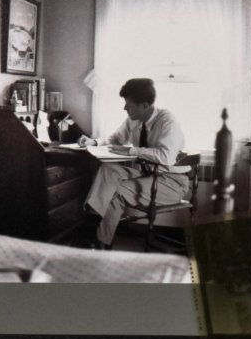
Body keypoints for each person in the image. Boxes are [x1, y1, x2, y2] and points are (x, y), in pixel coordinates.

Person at [79, 78, 190, 248]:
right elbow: (116, 139)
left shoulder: (167, 121)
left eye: (129, 105)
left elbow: (166, 157)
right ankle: (92, 223)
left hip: (172, 182)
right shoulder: (134, 119)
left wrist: (132, 151)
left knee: (117, 191)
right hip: (148, 175)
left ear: (144, 105)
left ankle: (99, 241)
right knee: (108, 170)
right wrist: (94, 142)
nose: (125, 108)